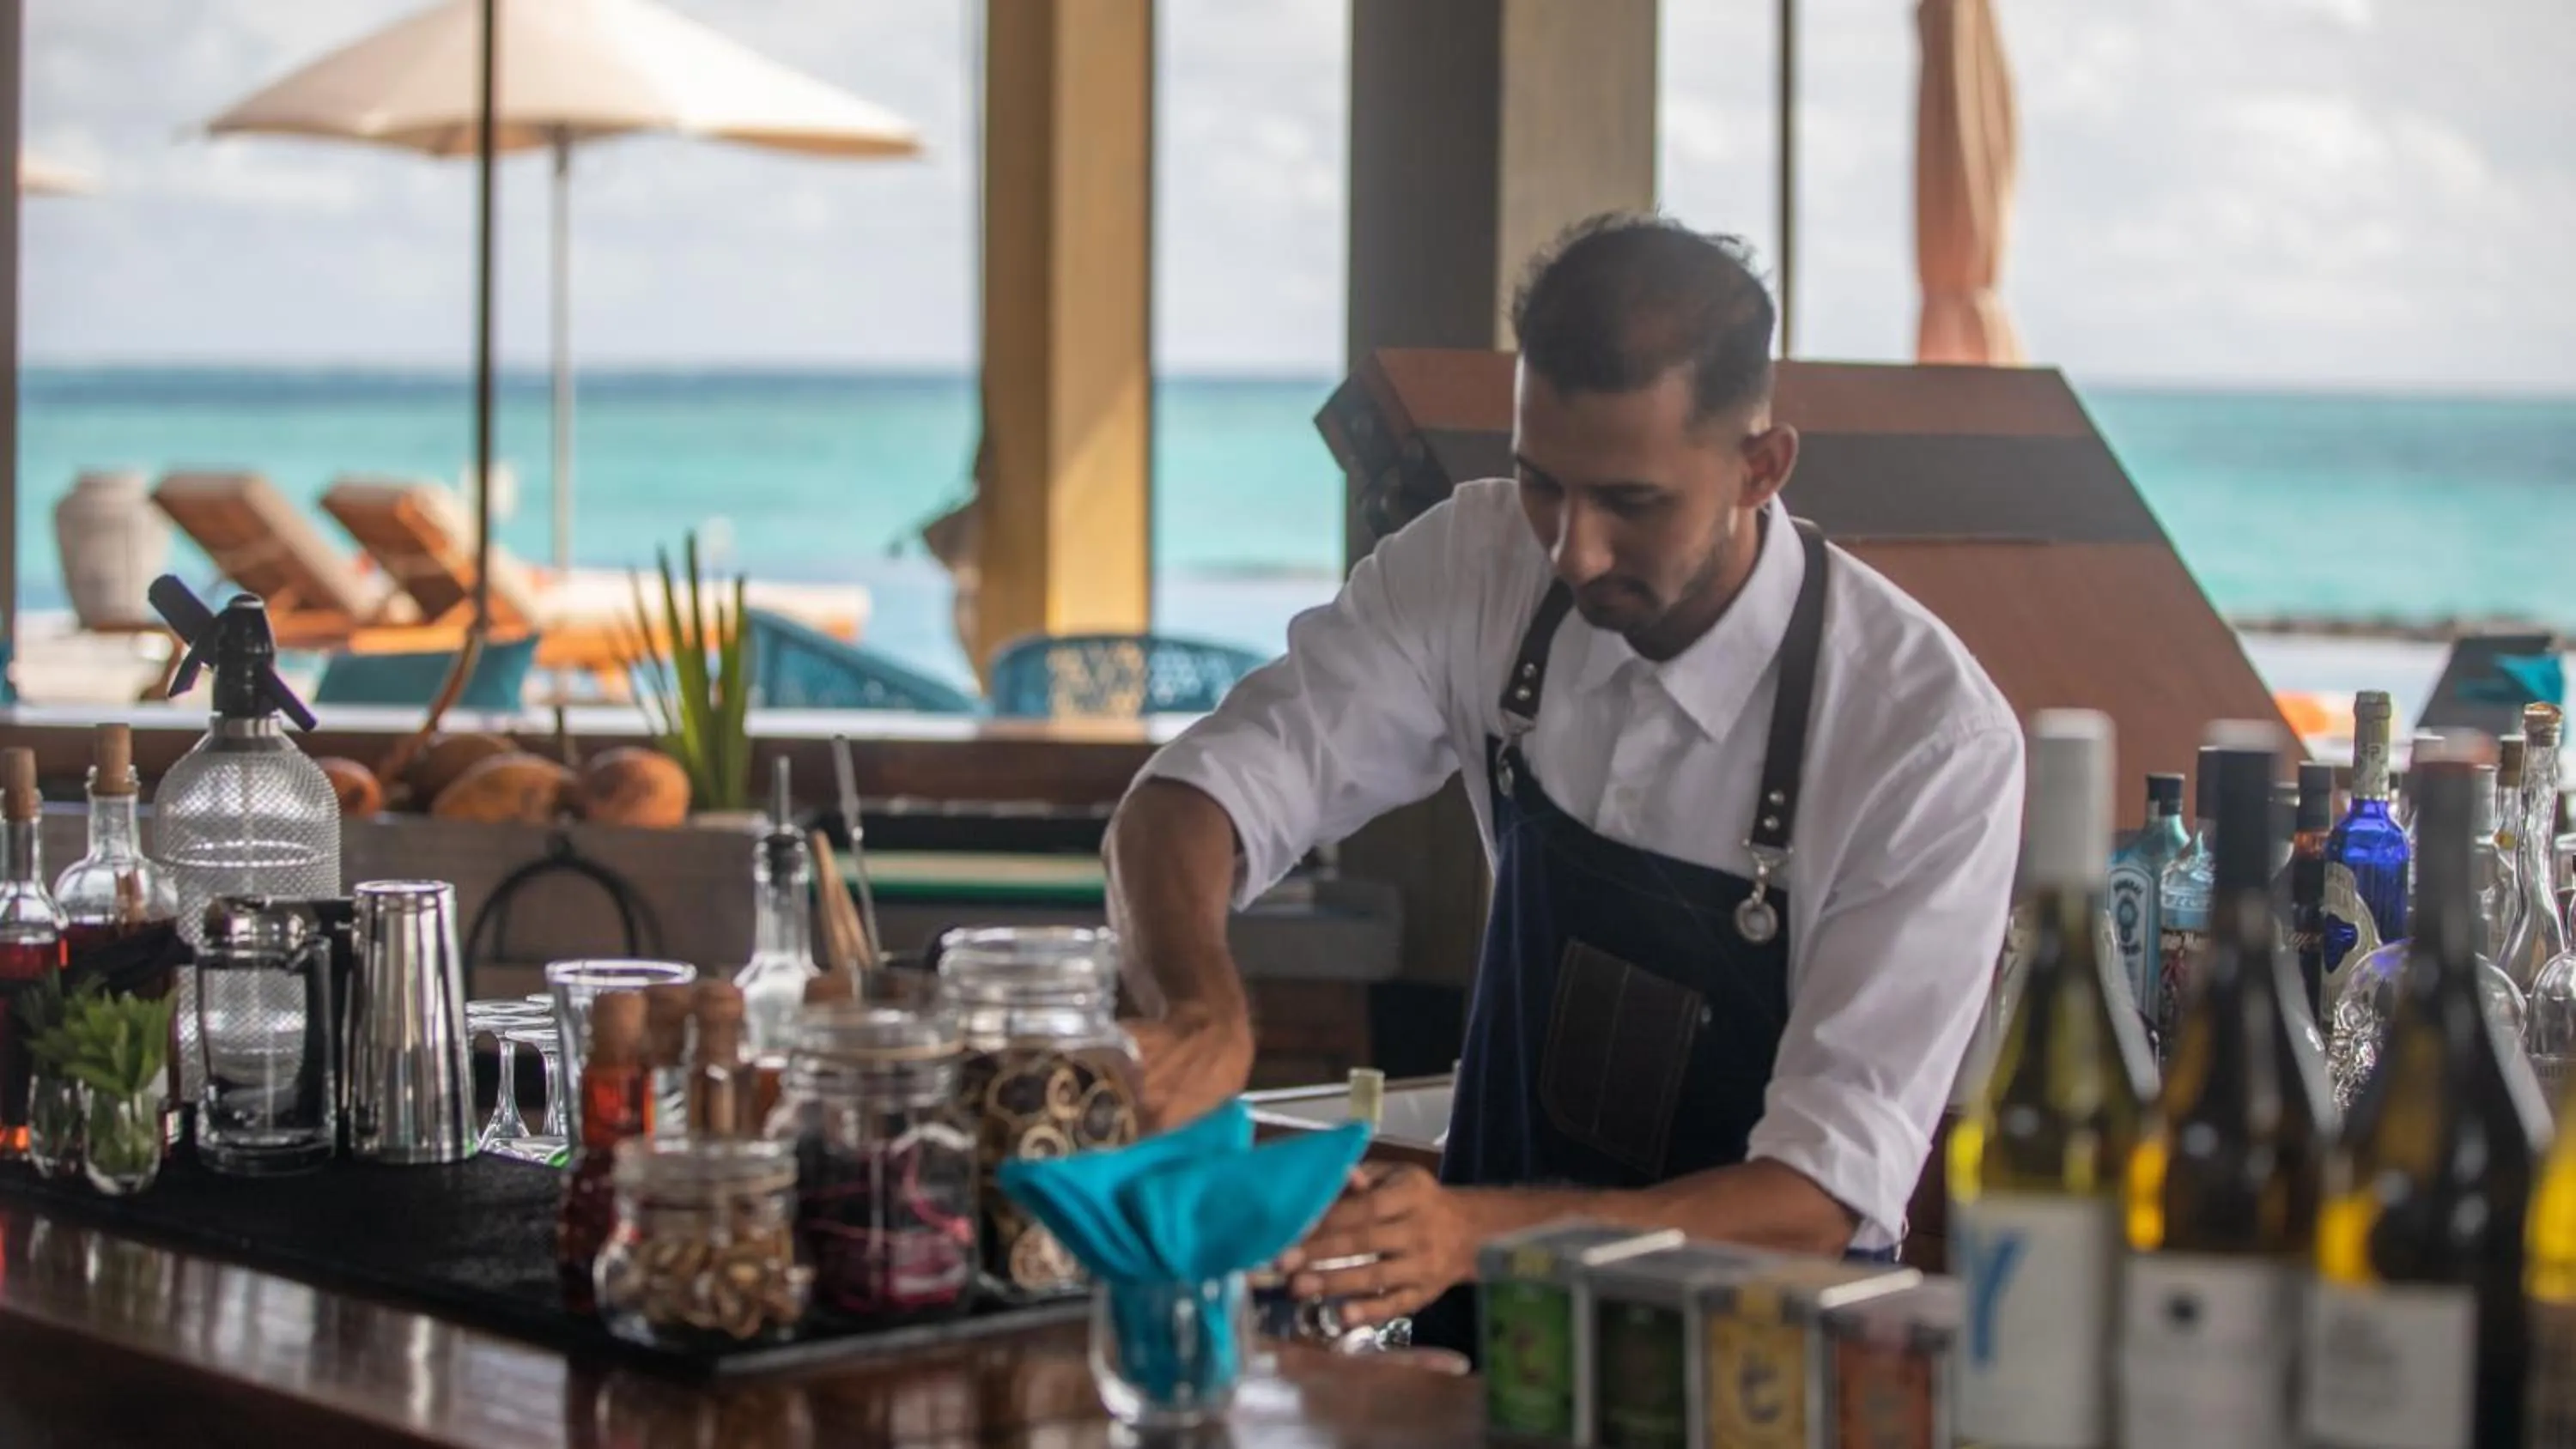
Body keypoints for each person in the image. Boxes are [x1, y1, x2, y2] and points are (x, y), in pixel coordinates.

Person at [1103, 214, 2024, 1351]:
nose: (1573, 552)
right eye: (1543, 483)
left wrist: (1470, 1234)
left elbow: (1813, 1199)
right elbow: (1193, 798)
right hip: (1492, 1351)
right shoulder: (1481, 561)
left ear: (1760, 465)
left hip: (1757, 1377)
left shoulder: (1926, 739)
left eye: (1631, 504)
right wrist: (1196, 996)